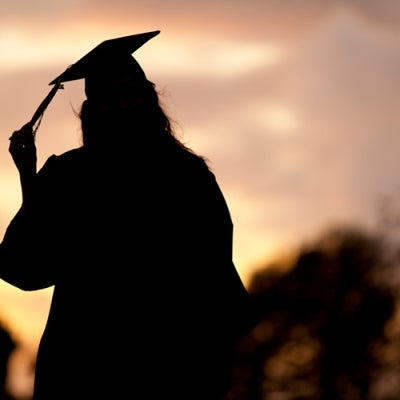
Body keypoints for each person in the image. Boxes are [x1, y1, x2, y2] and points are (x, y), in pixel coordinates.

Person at [0, 31, 254, 399]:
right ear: (92, 110)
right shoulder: (69, 175)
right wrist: (28, 176)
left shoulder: (187, 178)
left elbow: (213, 269)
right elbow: (28, 266)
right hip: (83, 362)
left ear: (149, 101)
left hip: (170, 362)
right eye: (108, 99)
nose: (121, 106)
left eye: (130, 95)